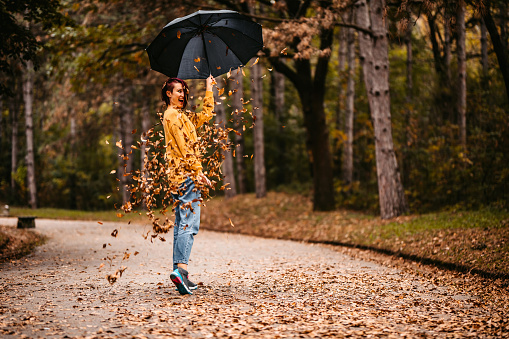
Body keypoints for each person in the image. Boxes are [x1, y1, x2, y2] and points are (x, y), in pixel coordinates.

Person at [161, 75, 215, 295]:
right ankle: (181, 270)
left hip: (179, 177)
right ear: (168, 94)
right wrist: (198, 172)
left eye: (184, 91)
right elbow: (185, 148)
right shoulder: (172, 115)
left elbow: (206, 115)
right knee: (189, 224)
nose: (182, 94)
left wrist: (209, 87)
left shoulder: (182, 116)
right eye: (178, 91)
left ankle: (179, 273)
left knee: (181, 222)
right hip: (185, 176)